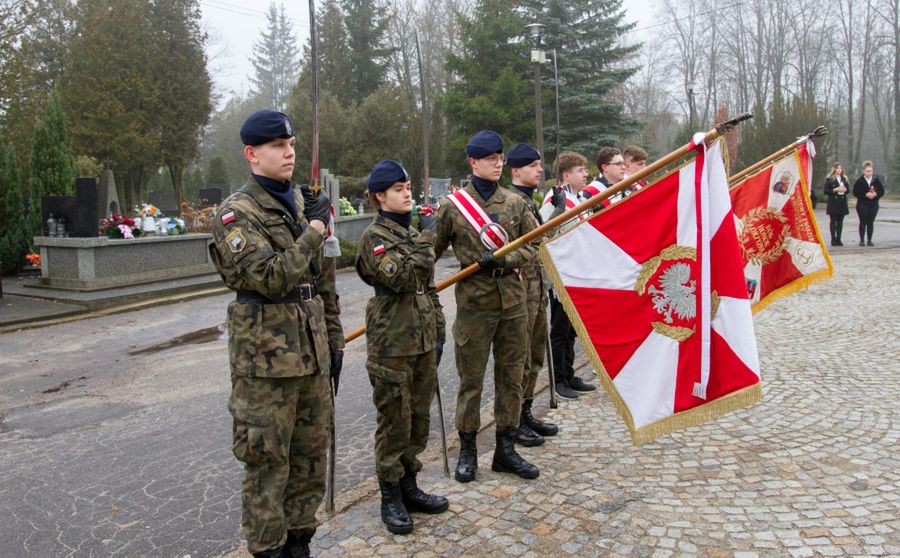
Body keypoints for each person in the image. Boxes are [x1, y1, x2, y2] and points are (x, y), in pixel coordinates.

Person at [209, 109, 344, 558]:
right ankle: (268, 550)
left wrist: (334, 340)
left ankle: (300, 543)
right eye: (277, 146)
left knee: (310, 458)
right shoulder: (236, 214)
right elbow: (269, 277)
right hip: (266, 365)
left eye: (291, 145)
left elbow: (323, 283)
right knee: (268, 464)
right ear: (251, 154)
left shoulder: (303, 205)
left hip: (311, 353)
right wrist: (314, 231)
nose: (289, 153)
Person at [434, 130, 541, 483]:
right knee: (472, 380)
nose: (497, 164)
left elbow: (534, 244)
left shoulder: (514, 203)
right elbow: (430, 250)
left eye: (500, 158)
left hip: (513, 300)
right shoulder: (452, 207)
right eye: (490, 159)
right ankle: (467, 450)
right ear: (473, 162)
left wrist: (507, 259)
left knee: (512, 376)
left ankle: (505, 449)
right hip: (474, 305)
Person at [355, 160, 449, 534]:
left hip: (422, 338)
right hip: (393, 342)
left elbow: (428, 287)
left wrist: (438, 328)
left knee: (419, 418)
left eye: (408, 187)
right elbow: (406, 278)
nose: (407, 193)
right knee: (394, 421)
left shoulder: (410, 234)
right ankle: (390, 495)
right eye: (398, 189)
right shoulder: (374, 238)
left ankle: (410, 485)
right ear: (380, 196)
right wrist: (428, 239)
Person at [505, 143, 559, 447]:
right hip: (520, 292)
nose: (540, 170)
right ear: (516, 170)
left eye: (539, 164)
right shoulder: (511, 202)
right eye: (533, 165)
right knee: (521, 359)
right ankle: (513, 421)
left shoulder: (529, 200)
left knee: (535, 355)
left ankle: (525, 412)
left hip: (537, 289)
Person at [540, 151, 597, 401]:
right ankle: (559, 379)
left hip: (578, 272)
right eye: (580, 170)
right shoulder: (554, 199)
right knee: (560, 329)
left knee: (572, 329)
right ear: (566, 175)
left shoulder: (578, 198)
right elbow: (544, 232)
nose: (586, 174)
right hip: (562, 274)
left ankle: (570, 373)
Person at [852, 160, 885, 246]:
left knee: (871, 222)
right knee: (863, 221)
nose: (869, 173)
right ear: (864, 171)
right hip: (862, 204)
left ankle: (869, 240)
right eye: (867, 171)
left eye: (870, 171)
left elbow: (882, 191)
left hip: (873, 204)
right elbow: (855, 192)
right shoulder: (860, 181)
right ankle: (862, 240)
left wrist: (876, 194)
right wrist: (865, 194)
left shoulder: (876, 180)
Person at [823, 162, 851, 246]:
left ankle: (839, 238)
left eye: (841, 168)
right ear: (834, 169)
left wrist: (845, 190)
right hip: (833, 202)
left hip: (842, 201)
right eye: (838, 168)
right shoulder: (830, 179)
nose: (839, 170)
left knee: (840, 222)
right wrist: (835, 189)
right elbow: (825, 191)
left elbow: (848, 190)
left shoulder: (844, 179)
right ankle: (833, 239)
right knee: (833, 221)